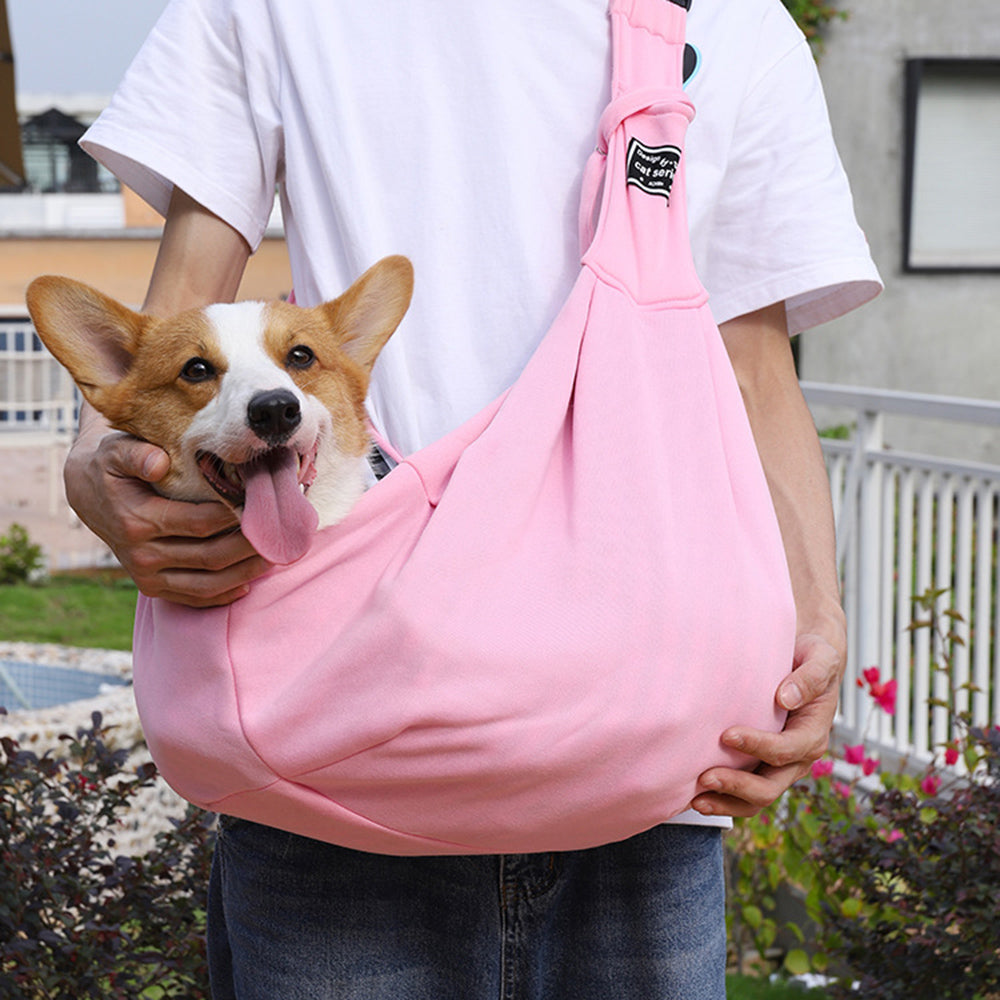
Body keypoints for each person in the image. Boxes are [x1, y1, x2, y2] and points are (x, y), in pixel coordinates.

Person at [66, 0, 882, 996]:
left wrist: (818, 624)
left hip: (641, 765)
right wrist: (93, 467)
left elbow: (754, 366)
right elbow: (173, 316)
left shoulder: (734, 22)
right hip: (346, 753)